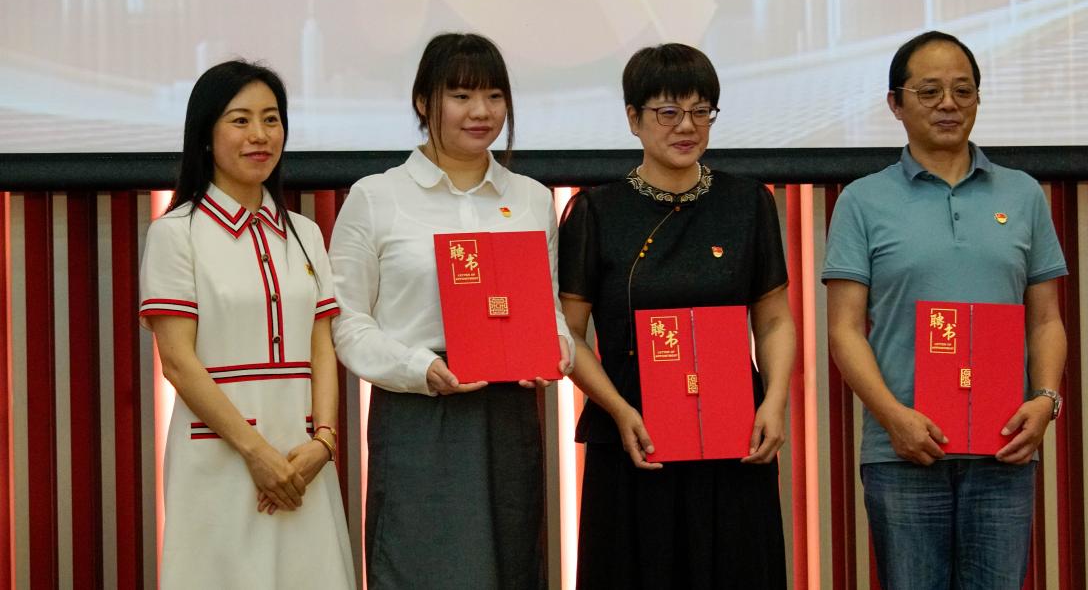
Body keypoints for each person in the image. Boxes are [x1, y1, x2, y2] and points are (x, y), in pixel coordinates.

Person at [823, 31, 1068, 589]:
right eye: (929, 91)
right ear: (895, 103)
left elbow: (1047, 319)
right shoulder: (862, 200)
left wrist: (1045, 400)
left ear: (978, 98)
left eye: (963, 90)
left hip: (1004, 447)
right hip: (903, 451)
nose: (948, 104)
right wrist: (893, 417)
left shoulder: (1022, 194)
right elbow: (844, 330)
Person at [329, 32, 573, 589]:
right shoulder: (376, 196)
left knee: (510, 566)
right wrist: (419, 369)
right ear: (424, 102)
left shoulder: (532, 198)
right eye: (461, 96)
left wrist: (554, 345)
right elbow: (347, 321)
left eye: (494, 96)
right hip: (419, 412)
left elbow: (548, 304)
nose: (481, 112)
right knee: (418, 566)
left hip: (508, 414)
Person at [559, 43, 795, 590]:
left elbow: (774, 320)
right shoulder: (596, 212)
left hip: (734, 435)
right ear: (633, 118)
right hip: (634, 437)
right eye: (668, 111)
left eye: (700, 110)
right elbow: (568, 334)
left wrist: (774, 402)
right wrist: (618, 410)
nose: (686, 126)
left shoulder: (747, 203)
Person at [139, 60, 355, 589]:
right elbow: (178, 363)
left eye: (271, 119)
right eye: (240, 120)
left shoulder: (304, 232)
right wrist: (256, 454)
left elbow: (321, 346)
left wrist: (324, 443)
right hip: (220, 456)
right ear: (205, 135)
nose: (260, 135)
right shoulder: (176, 233)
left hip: (304, 461)